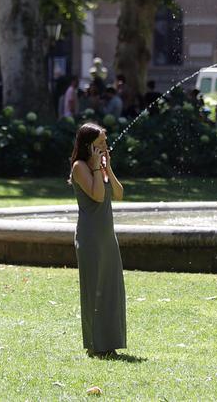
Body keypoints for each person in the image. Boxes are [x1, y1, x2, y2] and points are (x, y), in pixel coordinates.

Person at [68, 122, 125, 357]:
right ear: (88, 145)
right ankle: (95, 345)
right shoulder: (80, 167)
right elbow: (98, 197)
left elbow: (119, 194)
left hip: (107, 236)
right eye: (100, 142)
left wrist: (107, 168)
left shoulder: (100, 166)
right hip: (90, 235)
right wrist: (95, 168)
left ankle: (110, 343)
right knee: (94, 289)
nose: (105, 145)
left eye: (105, 141)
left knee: (111, 288)